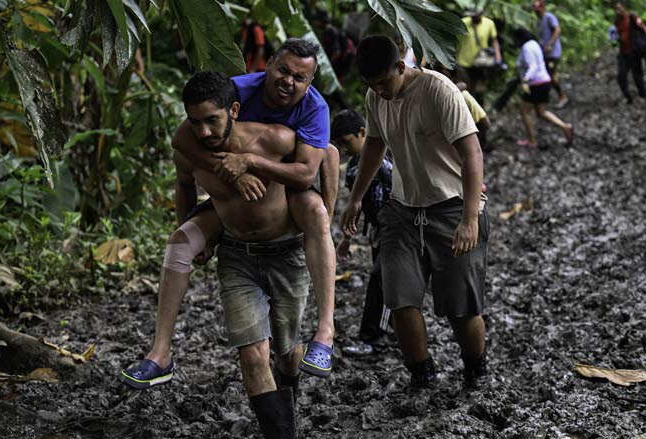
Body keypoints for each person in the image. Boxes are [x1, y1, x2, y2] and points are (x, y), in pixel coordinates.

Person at [121, 39, 339, 389]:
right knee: (179, 242)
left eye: (300, 77)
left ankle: (326, 332)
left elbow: (310, 170)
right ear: (268, 65)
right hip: (231, 207)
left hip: (286, 195)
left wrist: (250, 163)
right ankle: (160, 353)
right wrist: (233, 174)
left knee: (316, 210)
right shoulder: (232, 91)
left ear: (310, 83)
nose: (289, 81)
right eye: (283, 70)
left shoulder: (309, 113)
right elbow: (184, 142)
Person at [341, 35, 490, 390]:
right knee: (399, 297)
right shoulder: (375, 97)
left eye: (383, 82)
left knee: (461, 307)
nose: (378, 91)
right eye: (371, 85)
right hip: (403, 210)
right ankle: (421, 374)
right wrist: (356, 198)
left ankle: (475, 370)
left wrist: (469, 219)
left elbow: (472, 153)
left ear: (400, 66)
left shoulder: (438, 90)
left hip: (453, 206)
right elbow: (374, 145)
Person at [169, 71, 308, 439]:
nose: (204, 132)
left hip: (287, 252)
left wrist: (321, 223)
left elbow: (320, 160)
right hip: (236, 256)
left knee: (288, 354)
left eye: (212, 120)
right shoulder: (190, 152)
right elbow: (184, 186)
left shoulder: (274, 139)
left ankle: (289, 394)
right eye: (195, 122)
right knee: (251, 354)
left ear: (233, 110)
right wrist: (196, 231)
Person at [331, 110, 393, 356]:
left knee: (383, 281)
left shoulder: (389, 154)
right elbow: (355, 207)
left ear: (362, 133)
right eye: (340, 145)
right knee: (384, 280)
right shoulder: (353, 169)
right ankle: (385, 333)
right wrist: (347, 238)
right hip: (378, 229)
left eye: (347, 142)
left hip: (398, 227)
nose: (344, 149)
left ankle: (375, 336)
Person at [513, 27, 574, 148]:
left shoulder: (527, 47)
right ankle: (565, 127)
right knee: (541, 112)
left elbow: (533, 66)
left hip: (536, 83)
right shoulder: (534, 44)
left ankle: (532, 140)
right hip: (544, 81)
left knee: (525, 111)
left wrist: (526, 79)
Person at [457, 10, 504, 104]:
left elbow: (494, 41)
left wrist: (498, 56)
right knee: (466, 88)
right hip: (463, 61)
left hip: (481, 62)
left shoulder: (489, 23)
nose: (473, 18)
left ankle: (480, 111)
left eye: (475, 16)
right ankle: (466, 112)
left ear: (481, 14)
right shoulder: (463, 22)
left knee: (479, 88)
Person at [613, 2, 646, 104]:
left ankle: (643, 95)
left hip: (634, 51)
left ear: (624, 7)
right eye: (616, 9)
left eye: (619, 8)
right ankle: (628, 97)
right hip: (623, 52)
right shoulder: (617, 22)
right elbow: (617, 35)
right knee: (621, 75)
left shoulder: (633, 18)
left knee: (637, 75)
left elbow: (644, 28)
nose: (618, 11)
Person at [533, 0, 569, 108]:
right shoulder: (538, 22)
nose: (537, 12)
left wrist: (550, 44)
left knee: (551, 75)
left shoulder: (549, 17)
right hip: (544, 53)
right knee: (546, 75)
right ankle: (546, 98)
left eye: (539, 10)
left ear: (543, 8)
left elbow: (557, 30)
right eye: (536, 11)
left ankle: (562, 97)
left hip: (553, 53)